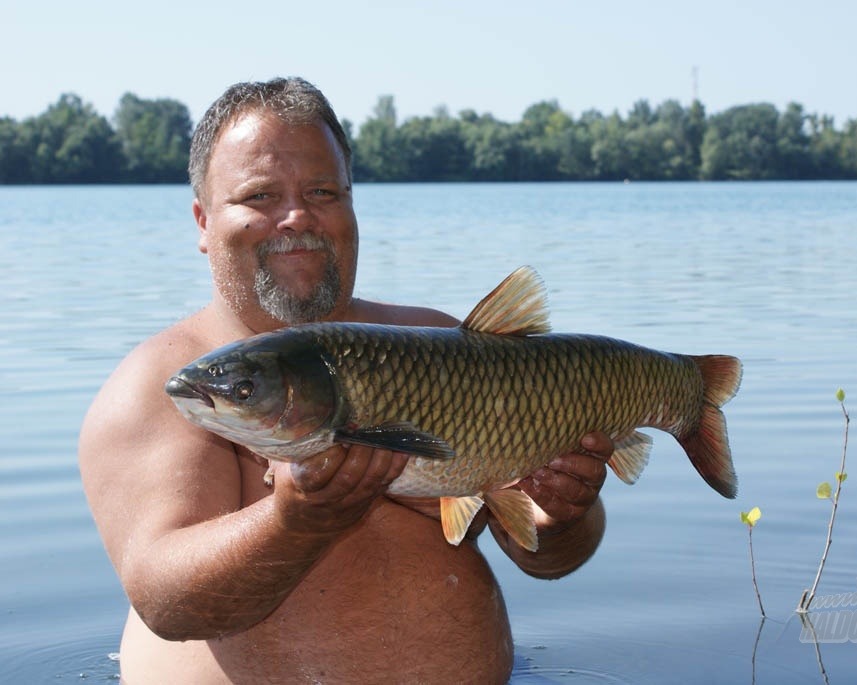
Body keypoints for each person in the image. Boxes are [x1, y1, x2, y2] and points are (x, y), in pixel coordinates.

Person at [79, 77, 613, 684]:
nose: (296, 216)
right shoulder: (165, 386)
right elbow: (167, 600)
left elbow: (545, 556)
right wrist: (296, 522)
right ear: (203, 222)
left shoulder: (441, 345)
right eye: (259, 196)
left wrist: (565, 514)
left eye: (322, 191)